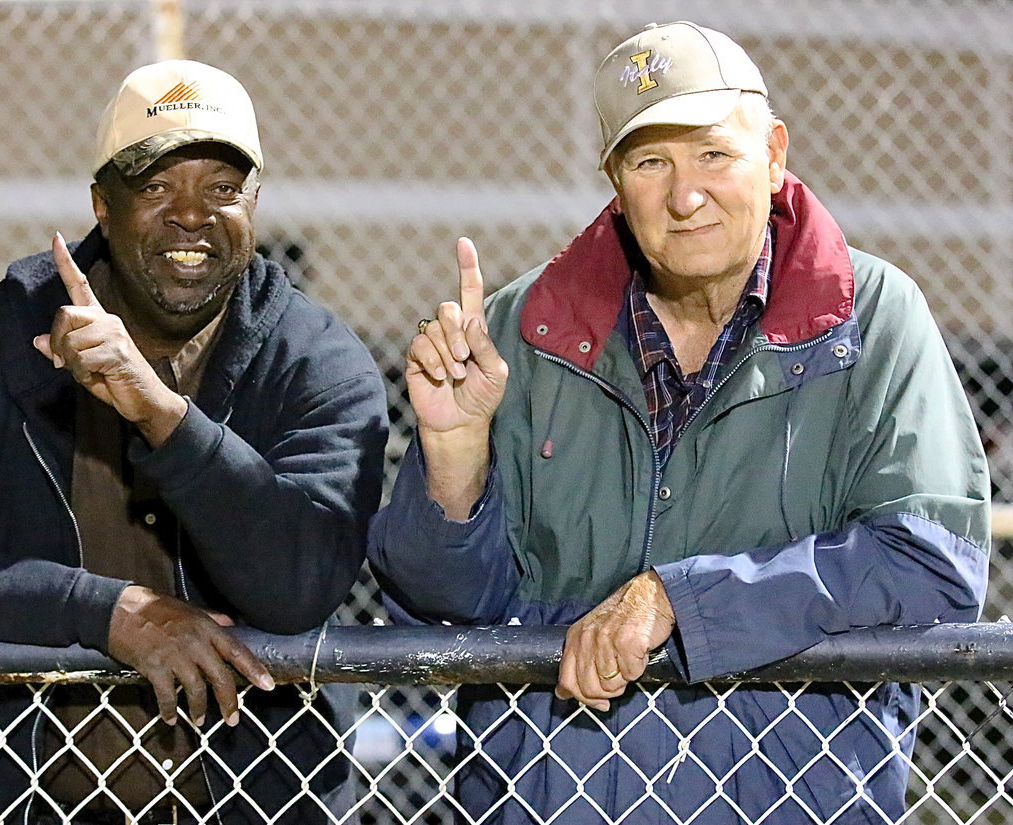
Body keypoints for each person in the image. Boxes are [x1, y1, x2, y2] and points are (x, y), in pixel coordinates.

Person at [368, 21, 989, 824]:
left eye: (713, 155)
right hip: (557, 800)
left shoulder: (870, 319)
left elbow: (932, 567)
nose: (685, 195)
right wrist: (454, 458)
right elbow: (441, 607)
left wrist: (682, 599)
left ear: (773, 154)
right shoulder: (525, 328)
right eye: (651, 161)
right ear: (616, 183)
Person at [0, 59, 388, 825]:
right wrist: (108, 612)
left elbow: (298, 580)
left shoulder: (316, 361)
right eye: (156, 186)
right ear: (102, 202)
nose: (191, 215)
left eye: (222, 189)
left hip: (260, 804)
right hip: (34, 804)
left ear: (253, 205)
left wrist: (163, 414)